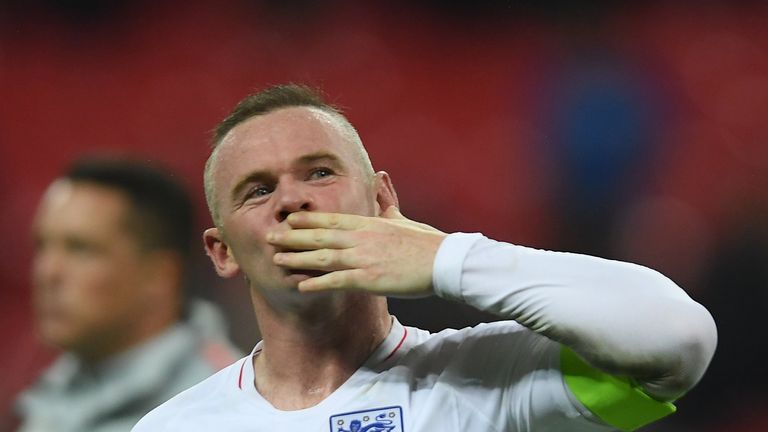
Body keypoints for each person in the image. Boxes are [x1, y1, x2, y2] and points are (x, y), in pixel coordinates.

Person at [134, 84, 717, 431]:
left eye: (319, 172)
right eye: (258, 190)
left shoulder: (489, 381)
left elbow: (679, 339)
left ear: (383, 200)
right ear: (221, 252)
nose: (293, 199)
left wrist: (447, 257)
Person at [16, 158, 242, 432]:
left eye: (80, 249)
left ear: (160, 275)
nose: (47, 272)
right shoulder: (50, 395)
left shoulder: (226, 408)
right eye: (42, 245)